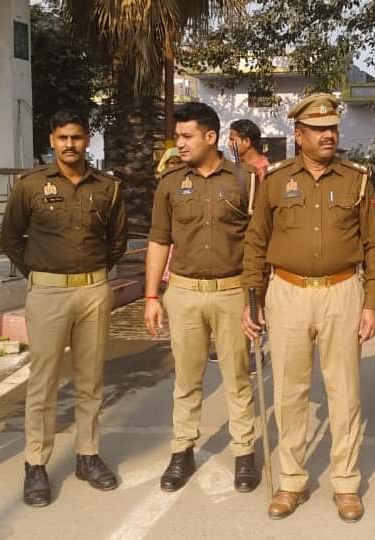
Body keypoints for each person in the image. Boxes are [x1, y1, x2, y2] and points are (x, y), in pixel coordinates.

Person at [242, 93, 375, 522]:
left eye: (333, 128)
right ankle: (291, 481)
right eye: (319, 129)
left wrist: (372, 302)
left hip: (342, 292)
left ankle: (345, 483)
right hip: (286, 292)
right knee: (290, 392)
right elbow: (255, 242)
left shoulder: (357, 180)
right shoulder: (274, 181)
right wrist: (252, 298)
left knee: (345, 392)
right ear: (298, 134)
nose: (329, 135)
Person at [0, 109, 127, 507]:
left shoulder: (107, 187)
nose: (69, 145)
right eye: (62, 138)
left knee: (91, 379)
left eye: (76, 137)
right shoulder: (30, 186)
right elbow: (11, 238)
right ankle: (36, 464)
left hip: (93, 291)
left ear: (87, 140)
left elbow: (117, 240)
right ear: (52, 141)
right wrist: (41, 274)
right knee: (44, 382)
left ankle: (88, 456)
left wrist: (91, 276)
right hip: (48, 293)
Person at [144, 102, 260, 493]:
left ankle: (244, 451)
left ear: (211, 137)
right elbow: (159, 240)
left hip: (232, 292)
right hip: (184, 292)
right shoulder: (170, 183)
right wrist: (151, 296)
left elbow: (258, 244)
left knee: (237, 378)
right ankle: (182, 450)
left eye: (187, 136)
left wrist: (256, 300)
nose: (180, 143)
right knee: (187, 378)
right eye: (178, 136)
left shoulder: (244, 180)